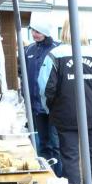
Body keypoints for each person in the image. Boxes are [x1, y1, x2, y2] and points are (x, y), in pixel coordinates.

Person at [43, 19, 92, 184]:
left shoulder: (55, 54)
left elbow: (46, 88)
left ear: (63, 31)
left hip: (65, 114)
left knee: (70, 157)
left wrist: (52, 107)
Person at [24, 19, 60, 164]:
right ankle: (46, 170)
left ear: (46, 32)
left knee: (56, 143)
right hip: (36, 105)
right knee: (42, 143)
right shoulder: (29, 49)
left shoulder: (57, 49)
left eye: (38, 31)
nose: (34, 34)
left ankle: (59, 174)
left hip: (53, 105)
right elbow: (23, 74)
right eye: (33, 30)